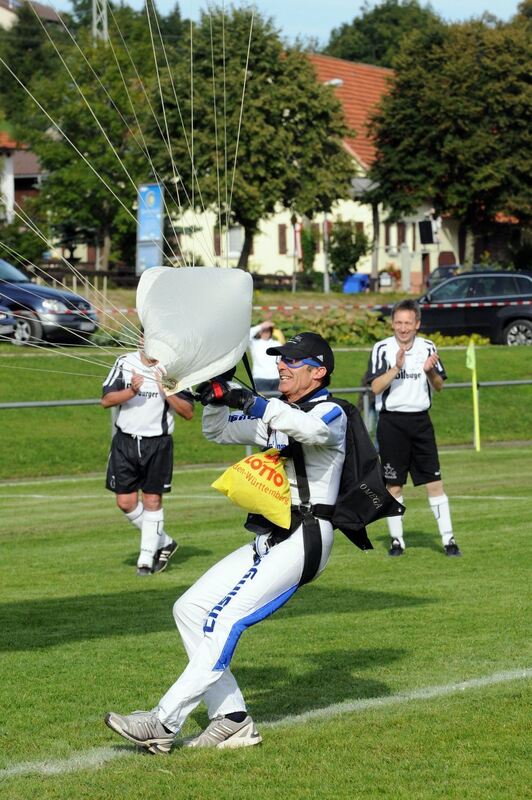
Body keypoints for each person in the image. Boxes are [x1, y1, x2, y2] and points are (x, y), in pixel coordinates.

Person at [104, 331, 349, 754]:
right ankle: (233, 719)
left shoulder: (332, 411)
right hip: (272, 535)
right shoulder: (278, 411)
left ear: (319, 371)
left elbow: (308, 429)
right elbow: (219, 432)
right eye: (280, 359)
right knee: (189, 609)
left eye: (292, 361)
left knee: (225, 620)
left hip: (308, 534)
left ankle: (162, 721)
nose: (281, 366)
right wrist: (217, 395)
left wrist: (251, 401)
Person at [368, 299, 461, 558]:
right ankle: (397, 541)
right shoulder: (381, 349)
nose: (403, 328)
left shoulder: (427, 347)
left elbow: (439, 386)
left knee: (434, 482)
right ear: (393, 323)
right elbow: (374, 388)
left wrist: (430, 372)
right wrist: (396, 367)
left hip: (420, 422)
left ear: (417, 324)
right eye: (398, 322)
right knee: (394, 486)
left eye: (408, 323)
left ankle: (449, 540)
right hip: (391, 423)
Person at [101, 343, 194, 576]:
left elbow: (188, 412)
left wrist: (166, 391)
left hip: (158, 443)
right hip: (126, 441)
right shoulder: (125, 362)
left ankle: (145, 559)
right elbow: (107, 400)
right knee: (125, 502)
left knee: (152, 500)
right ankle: (164, 542)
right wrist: (131, 391)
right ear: (140, 339)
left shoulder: (173, 368)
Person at [248, 320, 285, 394]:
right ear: (260, 332)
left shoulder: (276, 343)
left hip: (277, 379)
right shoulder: (254, 343)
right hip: (260, 379)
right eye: (263, 330)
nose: (266, 333)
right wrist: (261, 326)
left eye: (268, 330)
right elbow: (246, 335)